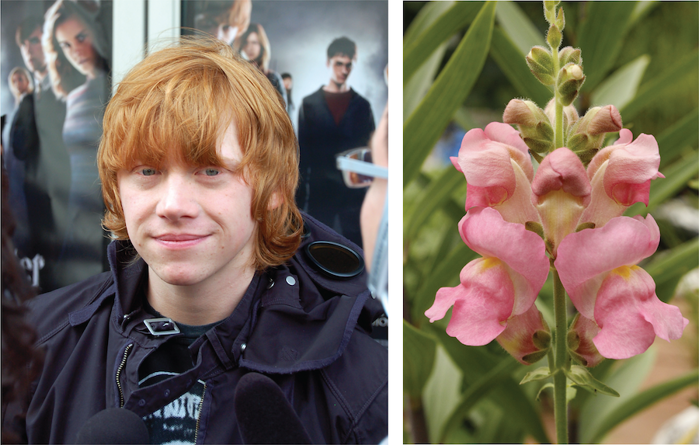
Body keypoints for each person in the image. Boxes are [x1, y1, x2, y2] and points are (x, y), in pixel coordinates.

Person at [2, 37, 387, 444]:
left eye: (210, 171)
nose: (173, 205)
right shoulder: (29, 349)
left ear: (273, 188)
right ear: (116, 187)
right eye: (147, 170)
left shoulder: (366, 381)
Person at [43, 0, 111, 285]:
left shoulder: (117, 90)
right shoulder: (74, 97)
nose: (76, 51)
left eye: (81, 37)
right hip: (75, 218)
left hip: (107, 220)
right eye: (66, 45)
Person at [2, 15, 72, 291]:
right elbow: (20, 147)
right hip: (32, 207)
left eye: (36, 41)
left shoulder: (62, 92)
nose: (30, 51)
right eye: (25, 44)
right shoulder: (31, 100)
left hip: (63, 209)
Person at [297, 36, 375, 246]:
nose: (344, 70)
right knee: (318, 249)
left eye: (348, 64)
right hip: (320, 194)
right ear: (328, 62)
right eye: (338, 64)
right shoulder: (309, 104)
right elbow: (302, 155)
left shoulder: (363, 106)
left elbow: (373, 153)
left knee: (357, 251)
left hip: (354, 197)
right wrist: (297, 202)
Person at [239, 23, 287, 108]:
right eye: (246, 42)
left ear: (261, 45)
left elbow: (283, 112)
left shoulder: (273, 78)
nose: (250, 47)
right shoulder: (235, 76)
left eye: (254, 42)